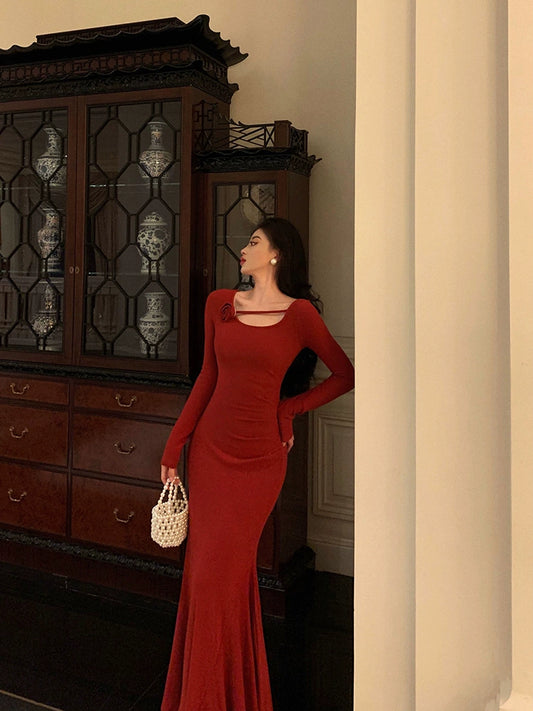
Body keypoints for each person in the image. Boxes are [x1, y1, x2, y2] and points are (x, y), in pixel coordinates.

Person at [159, 217, 354, 711]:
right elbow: (207, 377)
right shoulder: (220, 304)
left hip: (259, 462)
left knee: (223, 577)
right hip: (210, 454)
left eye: (253, 241)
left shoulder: (300, 315)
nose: (242, 249)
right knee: (206, 577)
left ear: (276, 254)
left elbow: (344, 374)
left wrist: (290, 410)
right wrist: (174, 445)